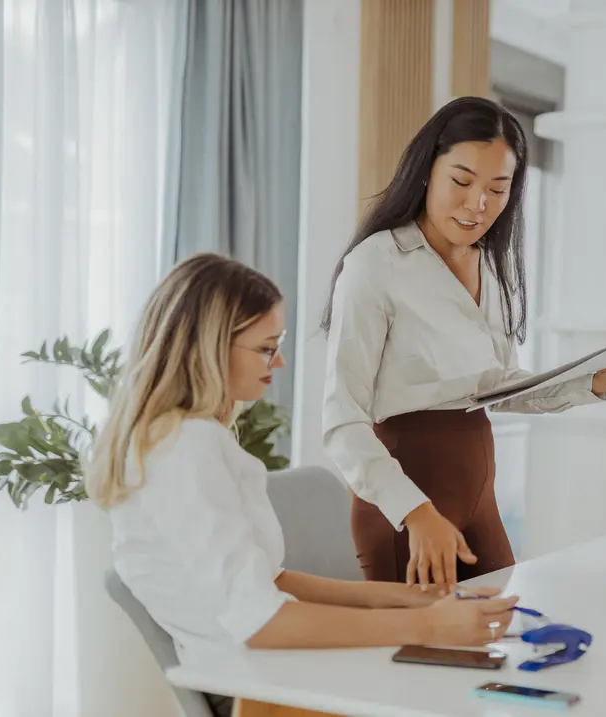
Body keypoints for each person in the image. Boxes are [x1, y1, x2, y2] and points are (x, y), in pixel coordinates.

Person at [86, 254, 517, 717]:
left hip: (278, 670)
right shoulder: (183, 450)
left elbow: (271, 582)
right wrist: (425, 627)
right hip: (265, 691)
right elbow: (262, 621)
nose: (280, 360)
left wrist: (408, 600)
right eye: (266, 348)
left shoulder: (185, 440)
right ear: (210, 347)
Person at [320, 96, 606, 586]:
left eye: (498, 189)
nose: (479, 204)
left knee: (503, 638)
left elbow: (497, 386)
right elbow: (341, 421)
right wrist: (414, 511)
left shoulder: (490, 269)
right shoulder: (376, 265)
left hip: (479, 495)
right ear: (427, 168)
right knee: (413, 658)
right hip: (408, 503)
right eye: (461, 181)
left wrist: (596, 380)